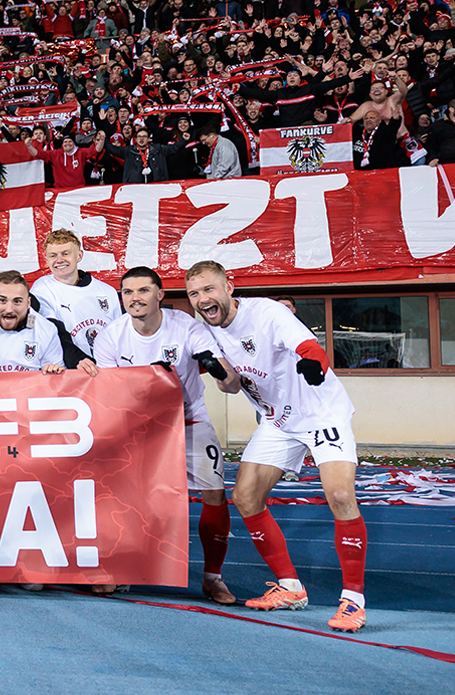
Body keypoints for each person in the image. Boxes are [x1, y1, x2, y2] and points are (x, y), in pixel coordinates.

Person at [185, 261, 368, 633]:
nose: (203, 299)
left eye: (209, 289)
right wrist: (221, 375)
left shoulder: (267, 313)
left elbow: (307, 346)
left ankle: (353, 600)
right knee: (246, 496)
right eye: (194, 294)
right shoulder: (206, 331)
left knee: (339, 495)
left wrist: (314, 364)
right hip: (277, 421)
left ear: (228, 287)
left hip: (319, 412)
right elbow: (234, 386)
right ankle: (290, 587)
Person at [93, 267, 241, 603]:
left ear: (160, 294)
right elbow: (111, 394)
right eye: (128, 292)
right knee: (122, 499)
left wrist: (220, 372)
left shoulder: (186, 326)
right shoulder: (109, 336)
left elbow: (224, 375)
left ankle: (213, 578)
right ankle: (121, 570)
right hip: (138, 427)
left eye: (143, 291)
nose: (135, 298)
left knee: (214, 494)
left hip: (189, 421)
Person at [0, 271, 98, 378]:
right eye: (2, 300)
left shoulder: (46, 329)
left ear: (28, 302)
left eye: (17, 301)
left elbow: (56, 382)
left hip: (28, 411)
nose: (9, 309)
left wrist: (54, 375)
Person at [30, 230, 120, 367]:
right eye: (53, 255)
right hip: (70, 372)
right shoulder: (41, 289)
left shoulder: (107, 291)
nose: (59, 260)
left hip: (107, 371)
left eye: (66, 253)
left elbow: (119, 336)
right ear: (47, 259)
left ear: (79, 255)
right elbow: (54, 333)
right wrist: (79, 361)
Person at [104, 128, 183, 183]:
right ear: (136, 139)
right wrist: (103, 138)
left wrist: (184, 140)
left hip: (157, 186)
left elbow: (174, 148)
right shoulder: (128, 151)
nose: (141, 139)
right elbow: (112, 149)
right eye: (139, 137)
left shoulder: (158, 149)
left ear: (148, 139)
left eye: (144, 137)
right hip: (134, 187)